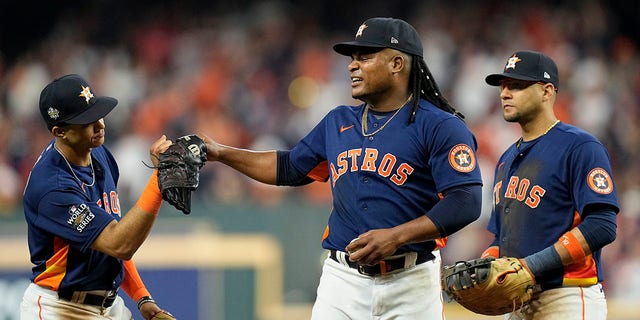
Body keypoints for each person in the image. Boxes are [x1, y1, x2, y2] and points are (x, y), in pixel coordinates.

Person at [200, 17, 483, 319]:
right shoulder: (338, 121)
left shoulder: (440, 125)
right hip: (342, 281)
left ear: (397, 63)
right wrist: (221, 153)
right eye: (352, 58)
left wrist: (396, 236)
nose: (352, 65)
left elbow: (465, 201)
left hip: (411, 280)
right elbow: (287, 167)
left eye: (365, 56)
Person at [21, 74, 175, 319]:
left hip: (108, 305)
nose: (100, 125)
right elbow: (120, 243)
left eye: (97, 113)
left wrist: (142, 297)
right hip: (60, 309)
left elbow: (112, 236)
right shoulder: (51, 187)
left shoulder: (99, 154)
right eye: (86, 121)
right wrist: (159, 180)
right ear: (60, 132)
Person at [482, 50, 619, 319]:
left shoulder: (579, 146)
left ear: (546, 91)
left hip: (567, 294)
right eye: (503, 86)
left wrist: (533, 266)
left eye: (517, 85)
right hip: (519, 300)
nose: (504, 93)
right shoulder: (506, 159)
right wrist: (486, 265)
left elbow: (602, 225)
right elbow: (502, 238)